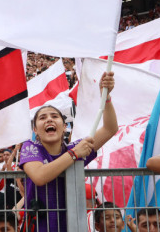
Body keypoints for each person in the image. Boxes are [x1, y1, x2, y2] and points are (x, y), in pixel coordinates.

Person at [20, 72, 118, 232]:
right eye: (42, 118)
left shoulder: (76, 148)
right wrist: (74, 155)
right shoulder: (30, 147)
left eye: (54, 116)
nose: (49, 119)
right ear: (35, 130)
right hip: (39, 227)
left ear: (64, 126)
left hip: (71, 226)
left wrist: (105, 97)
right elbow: (39, 176)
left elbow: (110, 129)